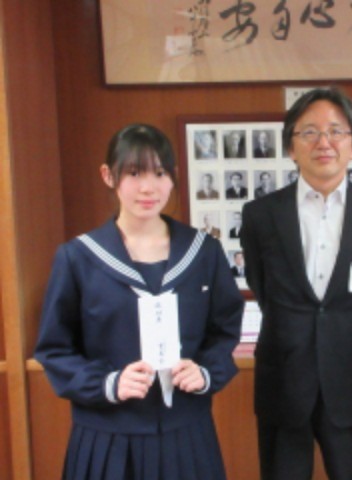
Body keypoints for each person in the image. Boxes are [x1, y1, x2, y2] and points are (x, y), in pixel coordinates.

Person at [34, 124, 245, 480]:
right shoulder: (78, 257)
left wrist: (206, 371)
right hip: (107, 436)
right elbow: (54, 350)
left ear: (173, 176)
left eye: (160, 173)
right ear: (108, 175)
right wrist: (107, 383)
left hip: (186, 434)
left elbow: (225, 331)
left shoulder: (203, 252)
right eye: (134, 173)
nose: (149, 187)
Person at [241, 87, 352, 480]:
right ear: (291, 147)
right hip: (284, 377)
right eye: (309, 132)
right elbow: (261, 287)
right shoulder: (260, 214)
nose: (324, 142)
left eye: (336, 131)